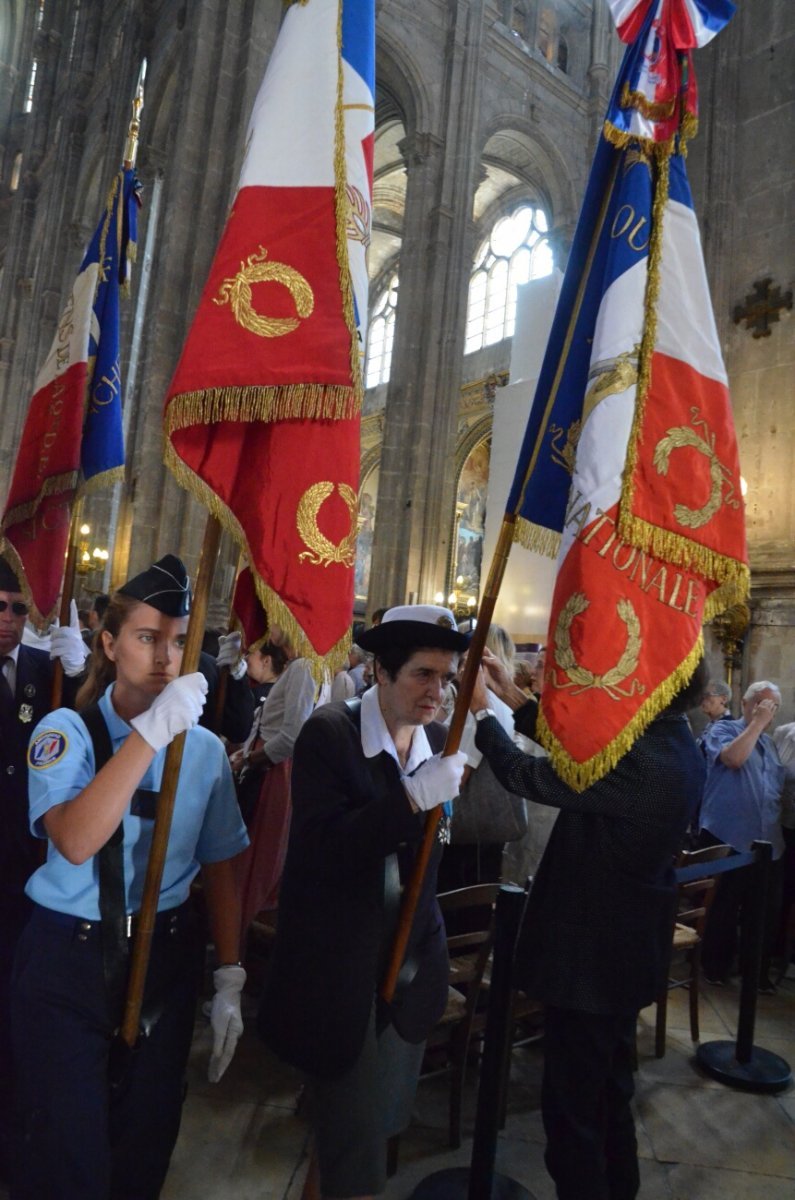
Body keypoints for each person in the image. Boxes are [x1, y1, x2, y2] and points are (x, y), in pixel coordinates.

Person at [10, 554, 249, 1200]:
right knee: (67, 1159)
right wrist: (149, 734)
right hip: (69, 961)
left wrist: (229, 974)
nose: (167, 659)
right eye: (148, 638)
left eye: (179, 642)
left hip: (163, 956)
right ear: (110, 645)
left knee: (142, 1151)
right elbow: (78, 838)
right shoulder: (68, 733)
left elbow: (222, 863)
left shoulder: (201, 751)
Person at [470, 648, 707, 1200]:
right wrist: (510, 694)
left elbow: (533, 775)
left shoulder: (645, 756)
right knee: (608, 1095)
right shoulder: (667, 736)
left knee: (573, 1116)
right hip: (622, 949)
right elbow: (581, 751)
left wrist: (483, 714)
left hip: (593, 955)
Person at [258, 604, 468, 1200]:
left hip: (405, 971)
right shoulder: (331, 734)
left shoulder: (430, 739)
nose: (437, 692)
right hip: (340, 980)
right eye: (423, 675)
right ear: (381, 670)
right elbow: (325, 849)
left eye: (446, 677)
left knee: (366, 1134)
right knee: (358, 1163)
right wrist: (409, 801)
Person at [0, 557, 89, 1181]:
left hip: (27, 868)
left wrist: (82, 673)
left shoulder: (42, 671)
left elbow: (86, 725)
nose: (9, 621)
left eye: (17, 609)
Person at [699, 680, 785, 991]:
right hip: (728, 835)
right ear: (746, 704)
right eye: (760, 704)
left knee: (762, 912)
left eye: (771, 707)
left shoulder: (770, 744)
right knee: (723, 905)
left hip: (768, 843)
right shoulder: (723, 731)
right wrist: (757, 723)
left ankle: (755, 972)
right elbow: (733, 759)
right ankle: (715, 966)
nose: (766, 711)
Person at [235, 625, 317, 934]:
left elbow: (293, 735)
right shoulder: (300, 667)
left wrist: (251, 759)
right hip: (270, 765)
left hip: (274, 771)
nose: (272, 627)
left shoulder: (303, 667)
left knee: (260, 860)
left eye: (279, 618)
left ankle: (243, 936)